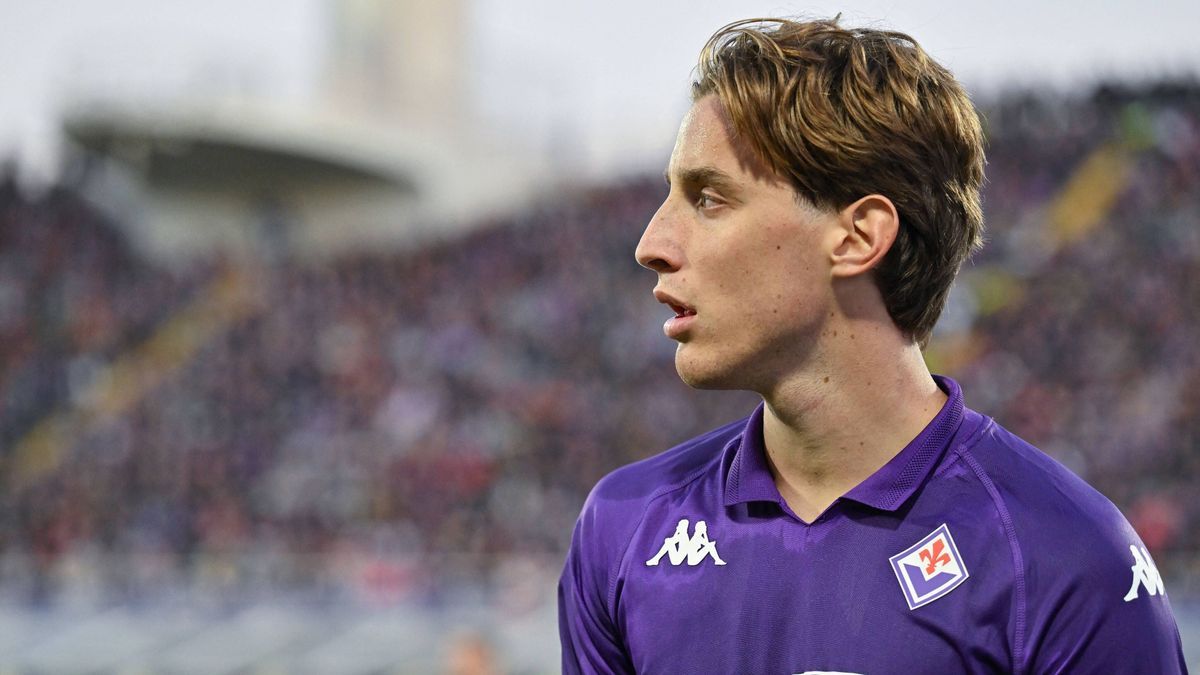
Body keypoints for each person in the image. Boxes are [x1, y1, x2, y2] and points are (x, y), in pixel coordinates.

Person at [557, 16, 1187, 674]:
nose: (651, 243)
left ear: (858, 237)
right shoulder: (624, 529)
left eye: (709, 198)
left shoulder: (1066, 558)